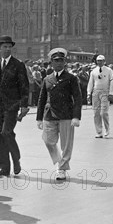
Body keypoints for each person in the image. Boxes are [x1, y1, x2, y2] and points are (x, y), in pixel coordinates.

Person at [0, 35, 29, 177]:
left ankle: (16, 159)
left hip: (12, 105)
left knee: (6, 132)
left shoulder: (18, 65)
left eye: (9, 47)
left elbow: (24, 86)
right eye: (5, 47)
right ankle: (4, 167)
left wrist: (24, 105)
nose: (7, 49)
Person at [36, 47, 82, 181]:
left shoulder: (71, 78)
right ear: (51, 62)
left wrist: (76, 116)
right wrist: (39, 118)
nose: (58, 63)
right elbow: (41, 99)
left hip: (66, 115)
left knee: (66, 145)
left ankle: (62, 169)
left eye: (61, 60)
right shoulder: (47, 79)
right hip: (49, 114)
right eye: (56, 61)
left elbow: (78, 98)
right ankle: (59, 161)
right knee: (48, 140)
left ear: (65, 62)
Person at [86, 55, 113, 138]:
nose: (99, 62)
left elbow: (112, 82)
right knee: (96, 113)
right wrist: (88, 93)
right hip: (96, 92)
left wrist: (111, 93)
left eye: (101, 61)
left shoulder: (109, 70)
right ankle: (99, 132)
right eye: (98, 61)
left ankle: (107, 129)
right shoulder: (93, 71)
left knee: (104, 113)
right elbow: (90, 83)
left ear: (104, 61)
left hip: (105, 92)